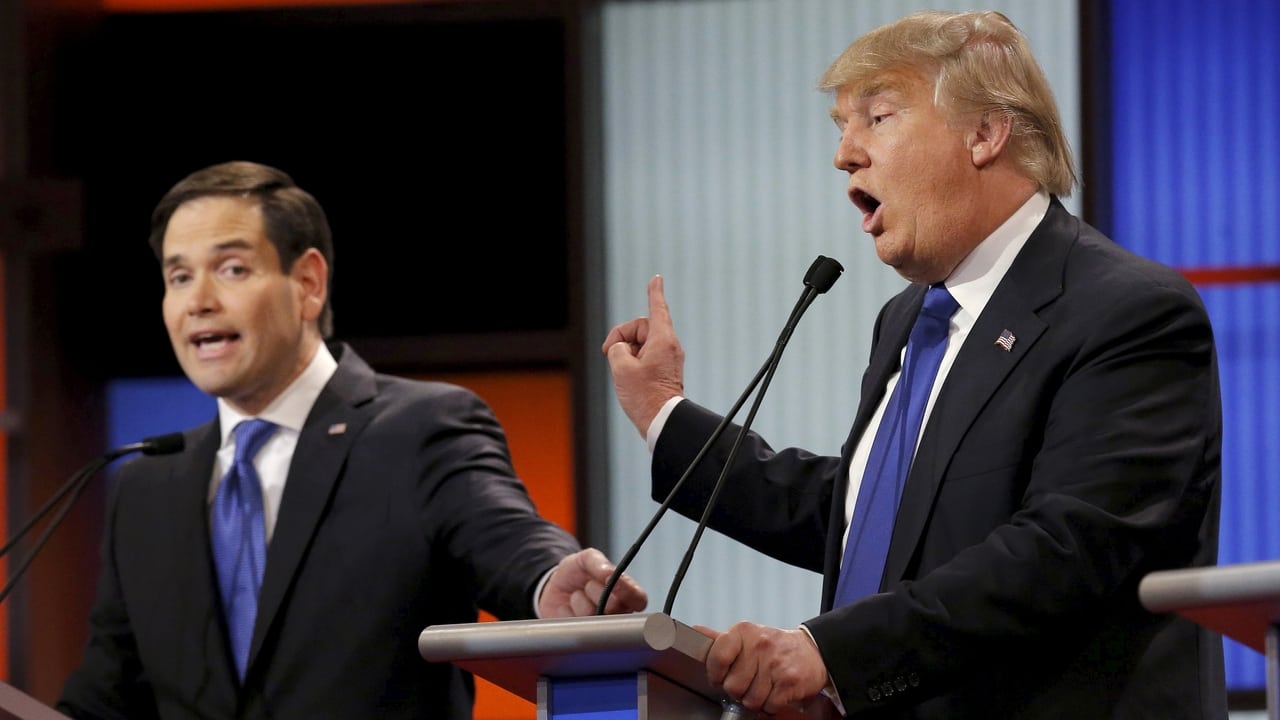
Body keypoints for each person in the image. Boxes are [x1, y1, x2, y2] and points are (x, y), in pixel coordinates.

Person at [603, 10, 1224, 720]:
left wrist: (831, 654)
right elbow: (880, 519)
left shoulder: (1128, 310)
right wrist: (664, 414)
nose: (844, 155)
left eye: (877, 117)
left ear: (984, 134)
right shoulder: (909, 319)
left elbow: (1065, 549)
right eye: (840, 127)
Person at [58, 160, 648, 720]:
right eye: (179, 276)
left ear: (308, 283)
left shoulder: (419, 429)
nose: (199, 302)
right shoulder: (145, 485)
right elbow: (105, 698)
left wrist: (550, 580)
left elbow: (507, 537)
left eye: (232, 269)